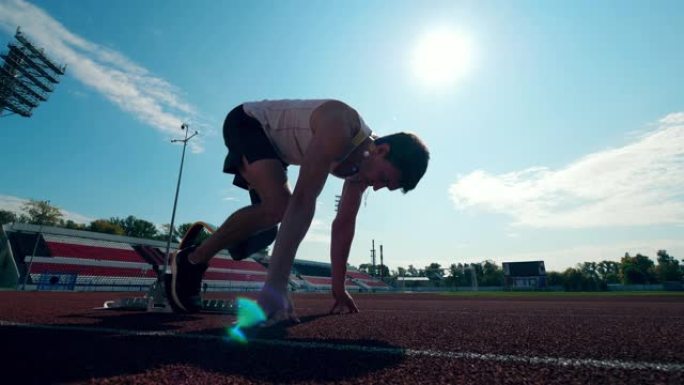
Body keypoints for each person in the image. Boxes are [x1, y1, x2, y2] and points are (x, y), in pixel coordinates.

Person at [167, 99, 429, 323]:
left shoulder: (359, 172)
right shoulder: (341, 125)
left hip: (277, 154)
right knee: (280, 206)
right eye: (383, 178)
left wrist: (338, 288)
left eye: (387, 187)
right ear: (380, 150)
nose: (378, 186)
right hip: (247, 122)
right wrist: (276, 285)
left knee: (272, 217)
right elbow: (303, 199)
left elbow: (343, 224)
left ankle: (207, 251)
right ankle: (191, 260)